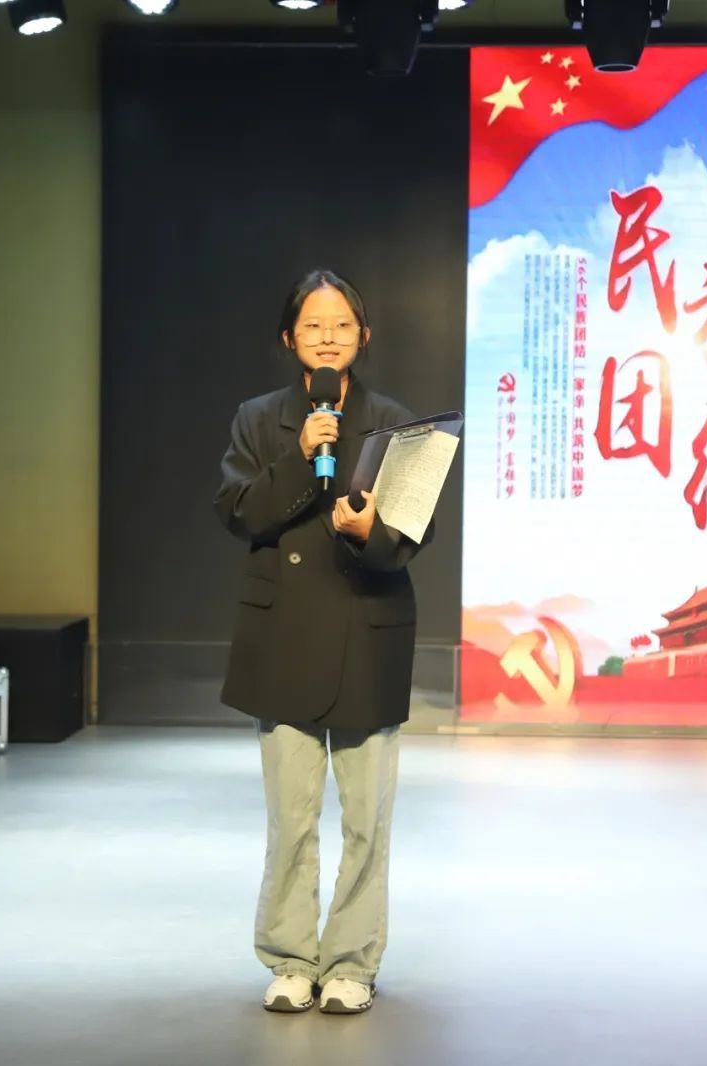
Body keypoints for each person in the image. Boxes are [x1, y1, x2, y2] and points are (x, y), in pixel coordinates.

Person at [214, 269, 433, 1016]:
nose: (328, 337)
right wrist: (302, 458)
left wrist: (371, 531)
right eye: (313, 325)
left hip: (367, 630)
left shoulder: (397, 423)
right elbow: (238, 512)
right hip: (283, 636)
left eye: (341, 325)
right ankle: (289, 958)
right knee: (292, 817)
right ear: (289, 338)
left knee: (366, 820)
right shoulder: (258, 420)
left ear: (363, 337)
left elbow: (416, 529)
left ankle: (350, 964)